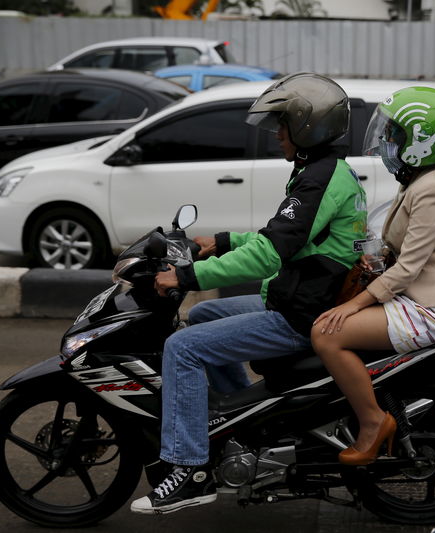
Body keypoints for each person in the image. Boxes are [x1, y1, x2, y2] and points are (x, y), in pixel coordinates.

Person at [130, 72, 368, 514]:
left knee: (182, 348)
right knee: (201, 318)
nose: (277, 134)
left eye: (284, 124)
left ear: (307, 127)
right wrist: (220, 241)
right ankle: (239, 423)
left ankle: (189, 471)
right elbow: (283, 239)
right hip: (296, 297)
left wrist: (185, 278)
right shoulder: (323, 172)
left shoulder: (319, 181)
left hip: (299, 315)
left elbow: (268, 256)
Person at [311, 86, 435, 466]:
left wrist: (353, 305)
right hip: (414, 299)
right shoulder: (417, 181)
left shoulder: (432, 189)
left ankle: (373, 422)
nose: (386, 141)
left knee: (326, 334)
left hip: (433, 309)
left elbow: (410, 269)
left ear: (423, 141)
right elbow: (402, 253)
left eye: (395, 135)